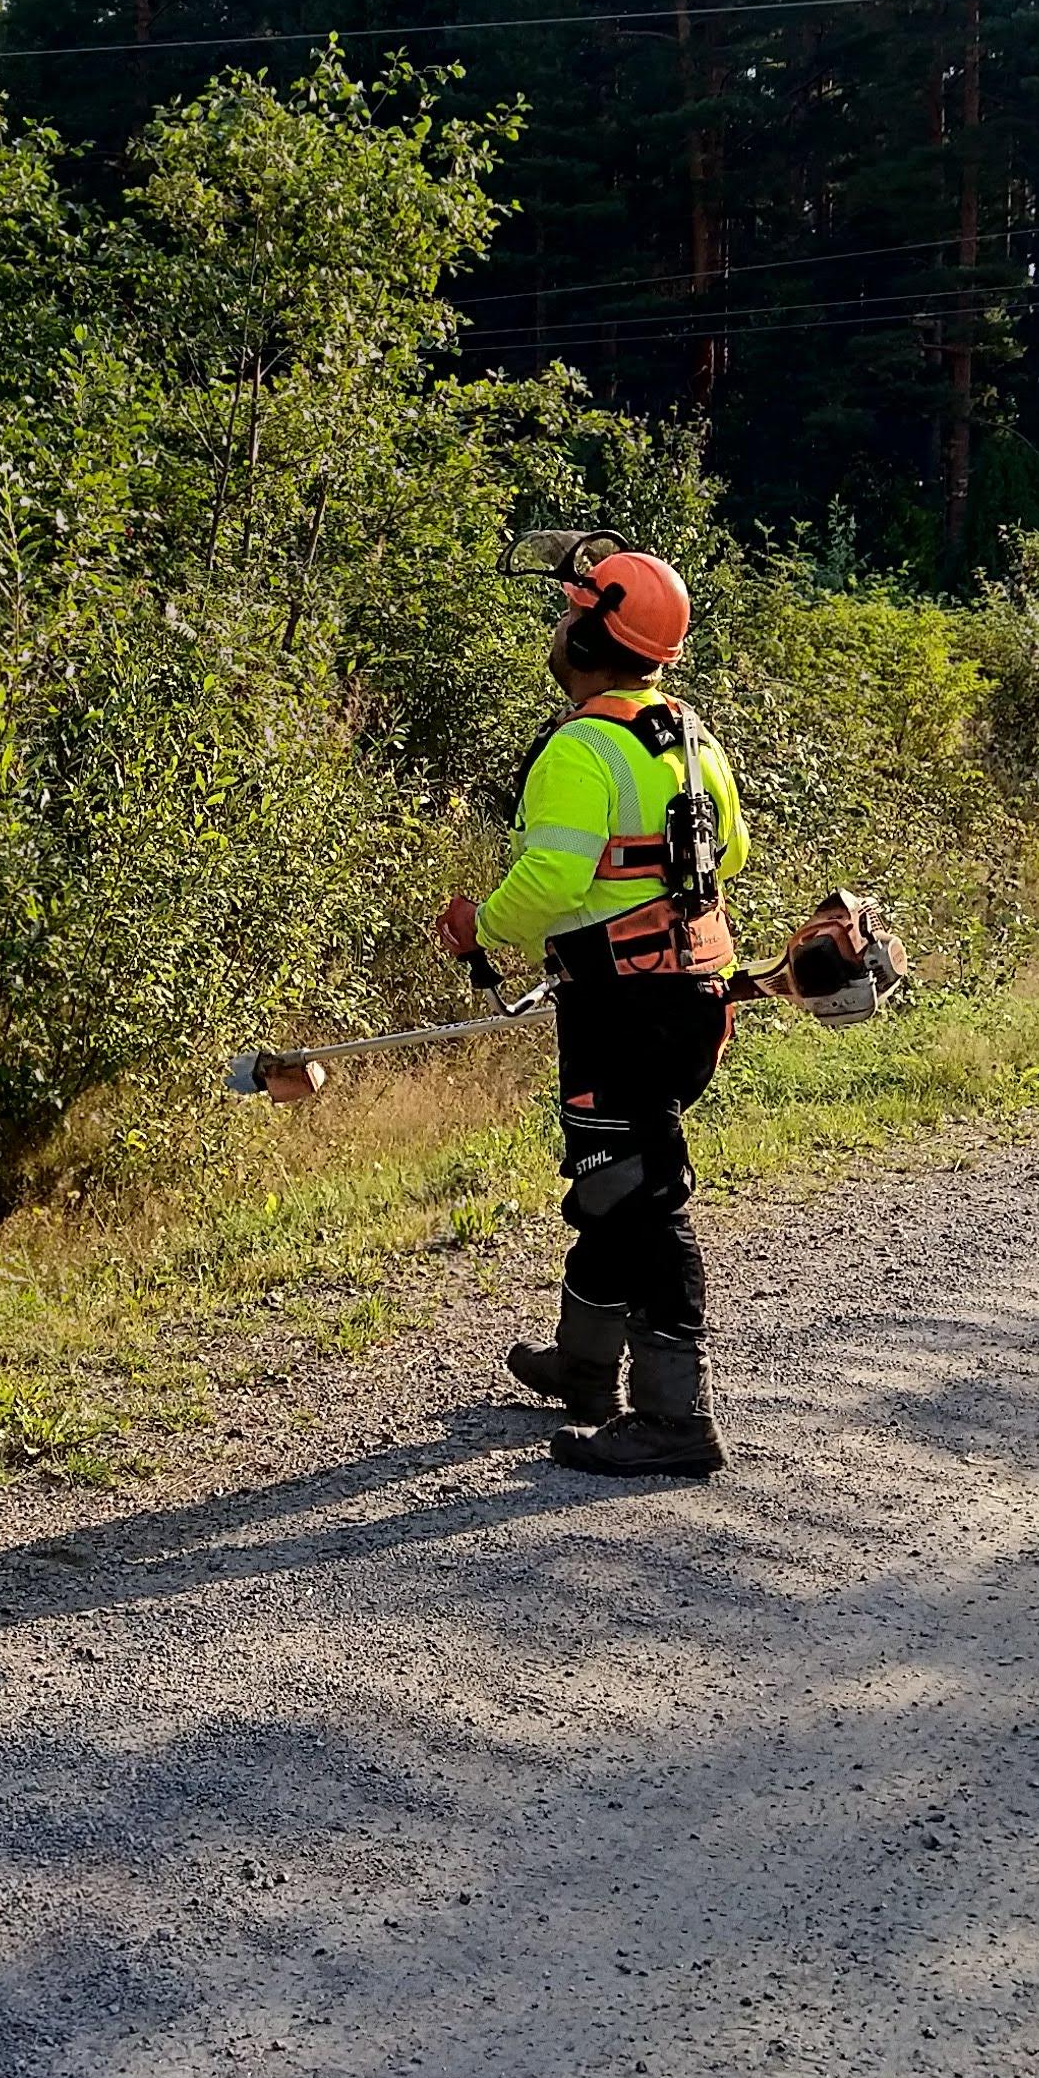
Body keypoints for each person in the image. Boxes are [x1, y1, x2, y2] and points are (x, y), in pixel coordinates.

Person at [433, 545, 748, 1478]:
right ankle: (584, 1365)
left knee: (639, 1196)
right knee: (615, 1176)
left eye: (566, 612)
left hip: (623, 1005)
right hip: (694, 998)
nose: (556, 626)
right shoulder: (689, 734)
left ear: (590, 631)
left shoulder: (580, 747)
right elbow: (725, 856)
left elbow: (552, 875)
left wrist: (480, 926)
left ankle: (674, 1417)